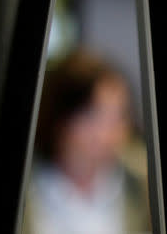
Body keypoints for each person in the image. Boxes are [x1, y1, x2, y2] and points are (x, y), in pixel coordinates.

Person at [22, 49, 151, 234]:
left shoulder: (141, 185)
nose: (108, 133)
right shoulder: (28, 188)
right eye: (92, 115)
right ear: (60, 119)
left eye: (118, 117)